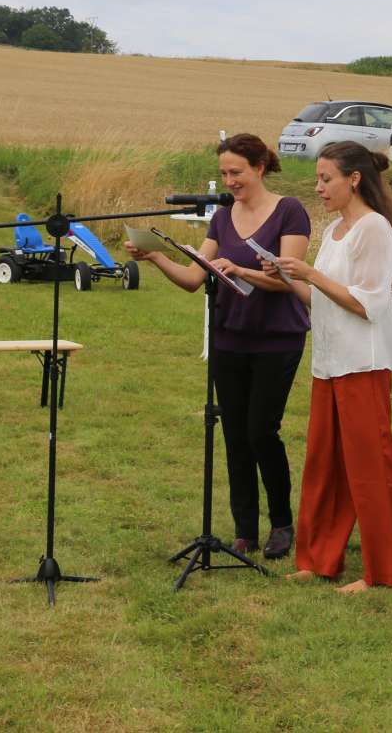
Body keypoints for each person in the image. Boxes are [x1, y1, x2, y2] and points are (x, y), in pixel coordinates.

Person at [124, 133, 309, 561]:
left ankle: (281, 523)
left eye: (237, 172)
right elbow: (194, 278)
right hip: (229, 336)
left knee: (262, 431)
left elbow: (291, 279)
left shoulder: (289, 211)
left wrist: (240, 267)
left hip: (276, 339)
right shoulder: (222, 218)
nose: (229, 181)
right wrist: (154, 257)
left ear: (260, 167)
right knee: (233, 433)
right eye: (224, 173)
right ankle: (244, 528)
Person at [269, 141, 392, 592]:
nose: (319, 187)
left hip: (362, 364)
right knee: (323, 466)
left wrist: (310, 275)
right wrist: (285, 278)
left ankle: (380, 572)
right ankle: (319, 558)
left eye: (326, 179)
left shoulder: (374, 228)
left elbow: (368, 304)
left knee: (368, 468)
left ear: (354, 179)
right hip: (328, 362)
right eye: (318, 179)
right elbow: (322, 298)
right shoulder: (334, 232)